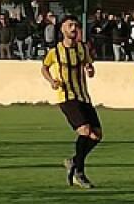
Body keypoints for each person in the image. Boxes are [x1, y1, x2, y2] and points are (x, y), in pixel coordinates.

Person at [41, 15, 102, 189]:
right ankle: (79, 172)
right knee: (85, 131)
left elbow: (90, 68)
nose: (74, 28)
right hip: (66, 97)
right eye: (70, 25)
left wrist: (90, 70)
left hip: (83, 96)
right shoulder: (55, 52)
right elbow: (44, 67)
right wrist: (52, 81)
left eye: (75, 25)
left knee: (97, 135)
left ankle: (73, 161)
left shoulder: (83, 48)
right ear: (62, 29)